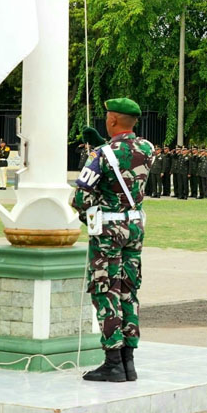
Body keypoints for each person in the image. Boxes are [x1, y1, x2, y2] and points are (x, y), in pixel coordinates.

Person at [72, 97, 152, 382]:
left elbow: (80, 199)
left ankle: (113, 362)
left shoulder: (102, 155)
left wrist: (95, 155)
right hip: (134, 227)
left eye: (108, 117)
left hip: (108, 231)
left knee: (106, 291)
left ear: (113, 120)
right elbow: (127, 172)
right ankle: (129, 361)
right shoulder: (147, 148)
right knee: (129, 290)